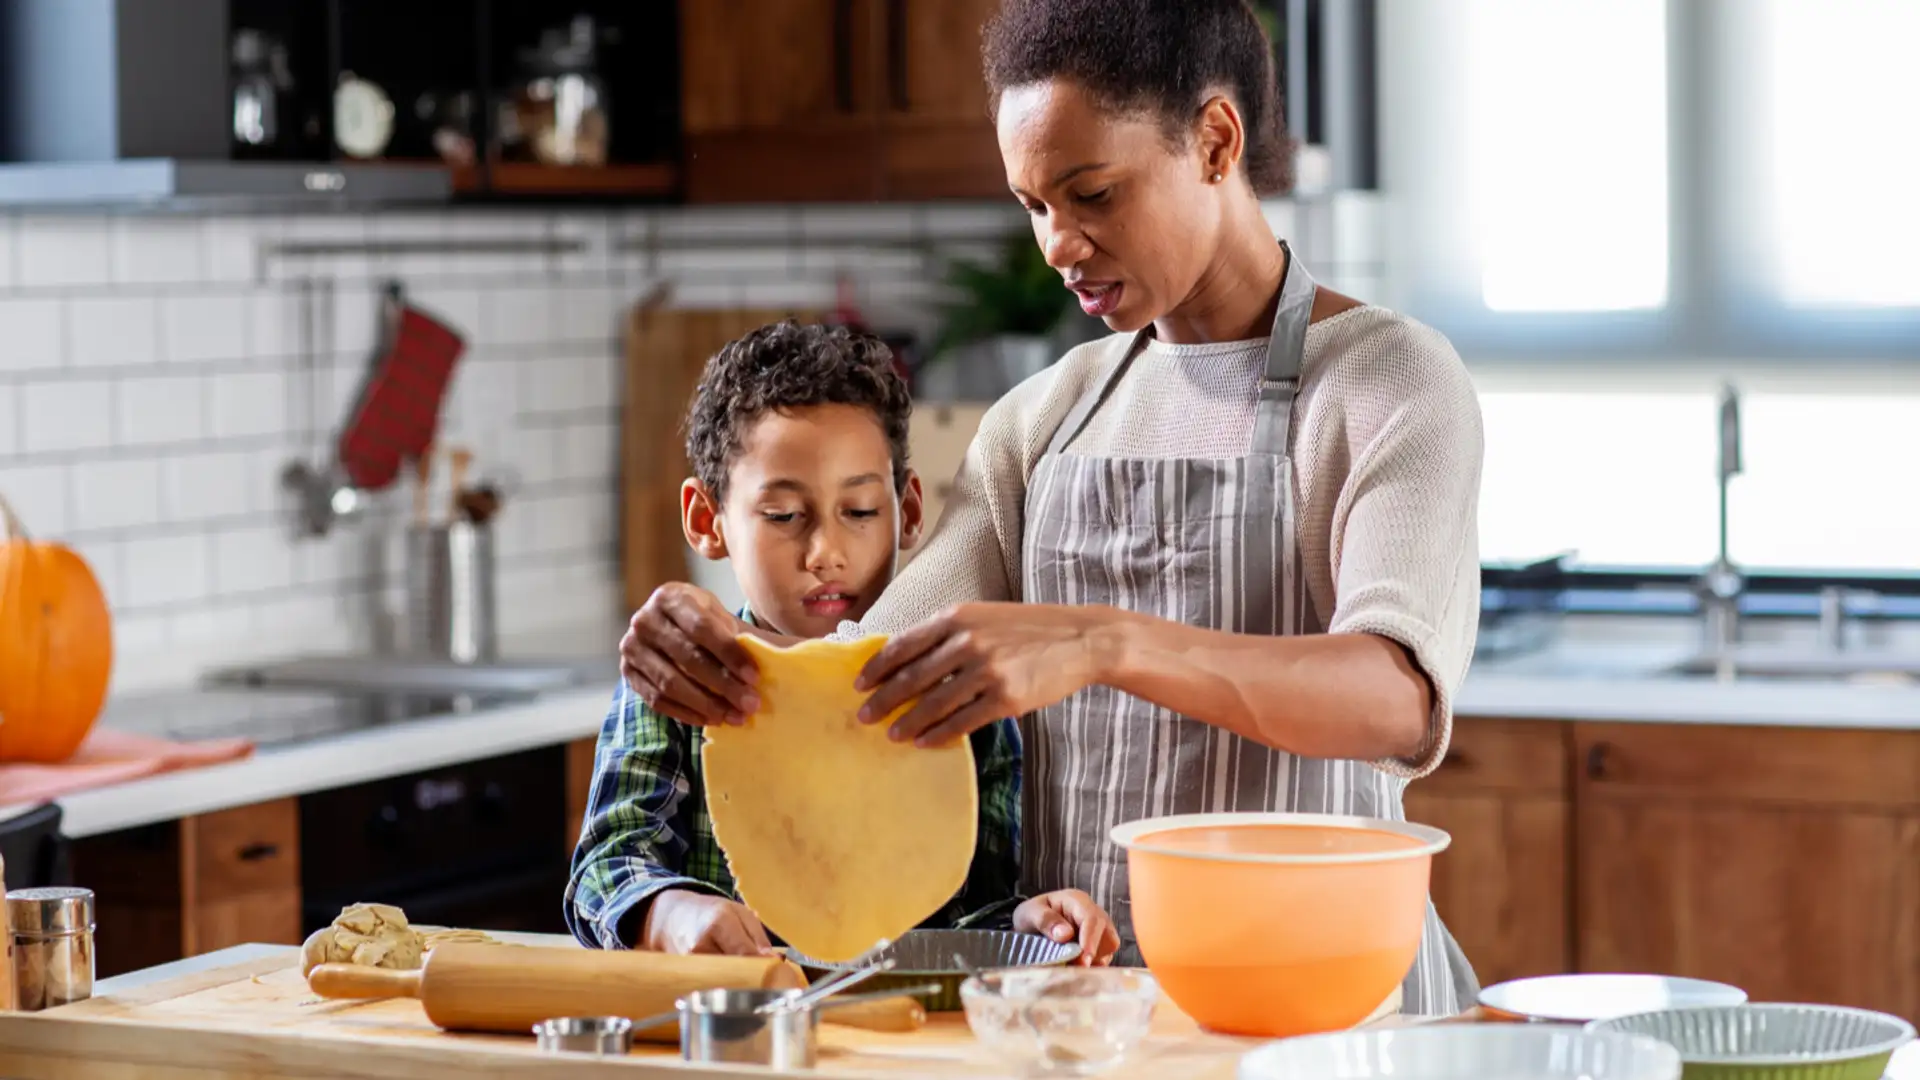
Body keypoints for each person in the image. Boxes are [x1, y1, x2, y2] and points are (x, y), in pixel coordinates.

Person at [616, 0, 1483, 1013]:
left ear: (1214, 141)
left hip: (1330, 1007)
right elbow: (869, 673)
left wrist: (1101, 643)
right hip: (1087, 1013)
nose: (1059, 245)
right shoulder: (1046, 417)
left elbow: (1395, 697)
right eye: (1033, 205)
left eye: (1093, 193)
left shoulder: (1387, 382)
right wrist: (710, 640)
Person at [567, 319, 1120, 963]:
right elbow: (607, 867)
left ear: (908, 511)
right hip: (730, 1041)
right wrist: (669, 913)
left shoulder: (961, 701)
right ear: (705, 521)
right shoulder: (682, 680)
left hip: (904, 1045)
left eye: (859, 513)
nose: (825, 553)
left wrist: (1027, 922)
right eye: (782, 517)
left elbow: (974, 908)